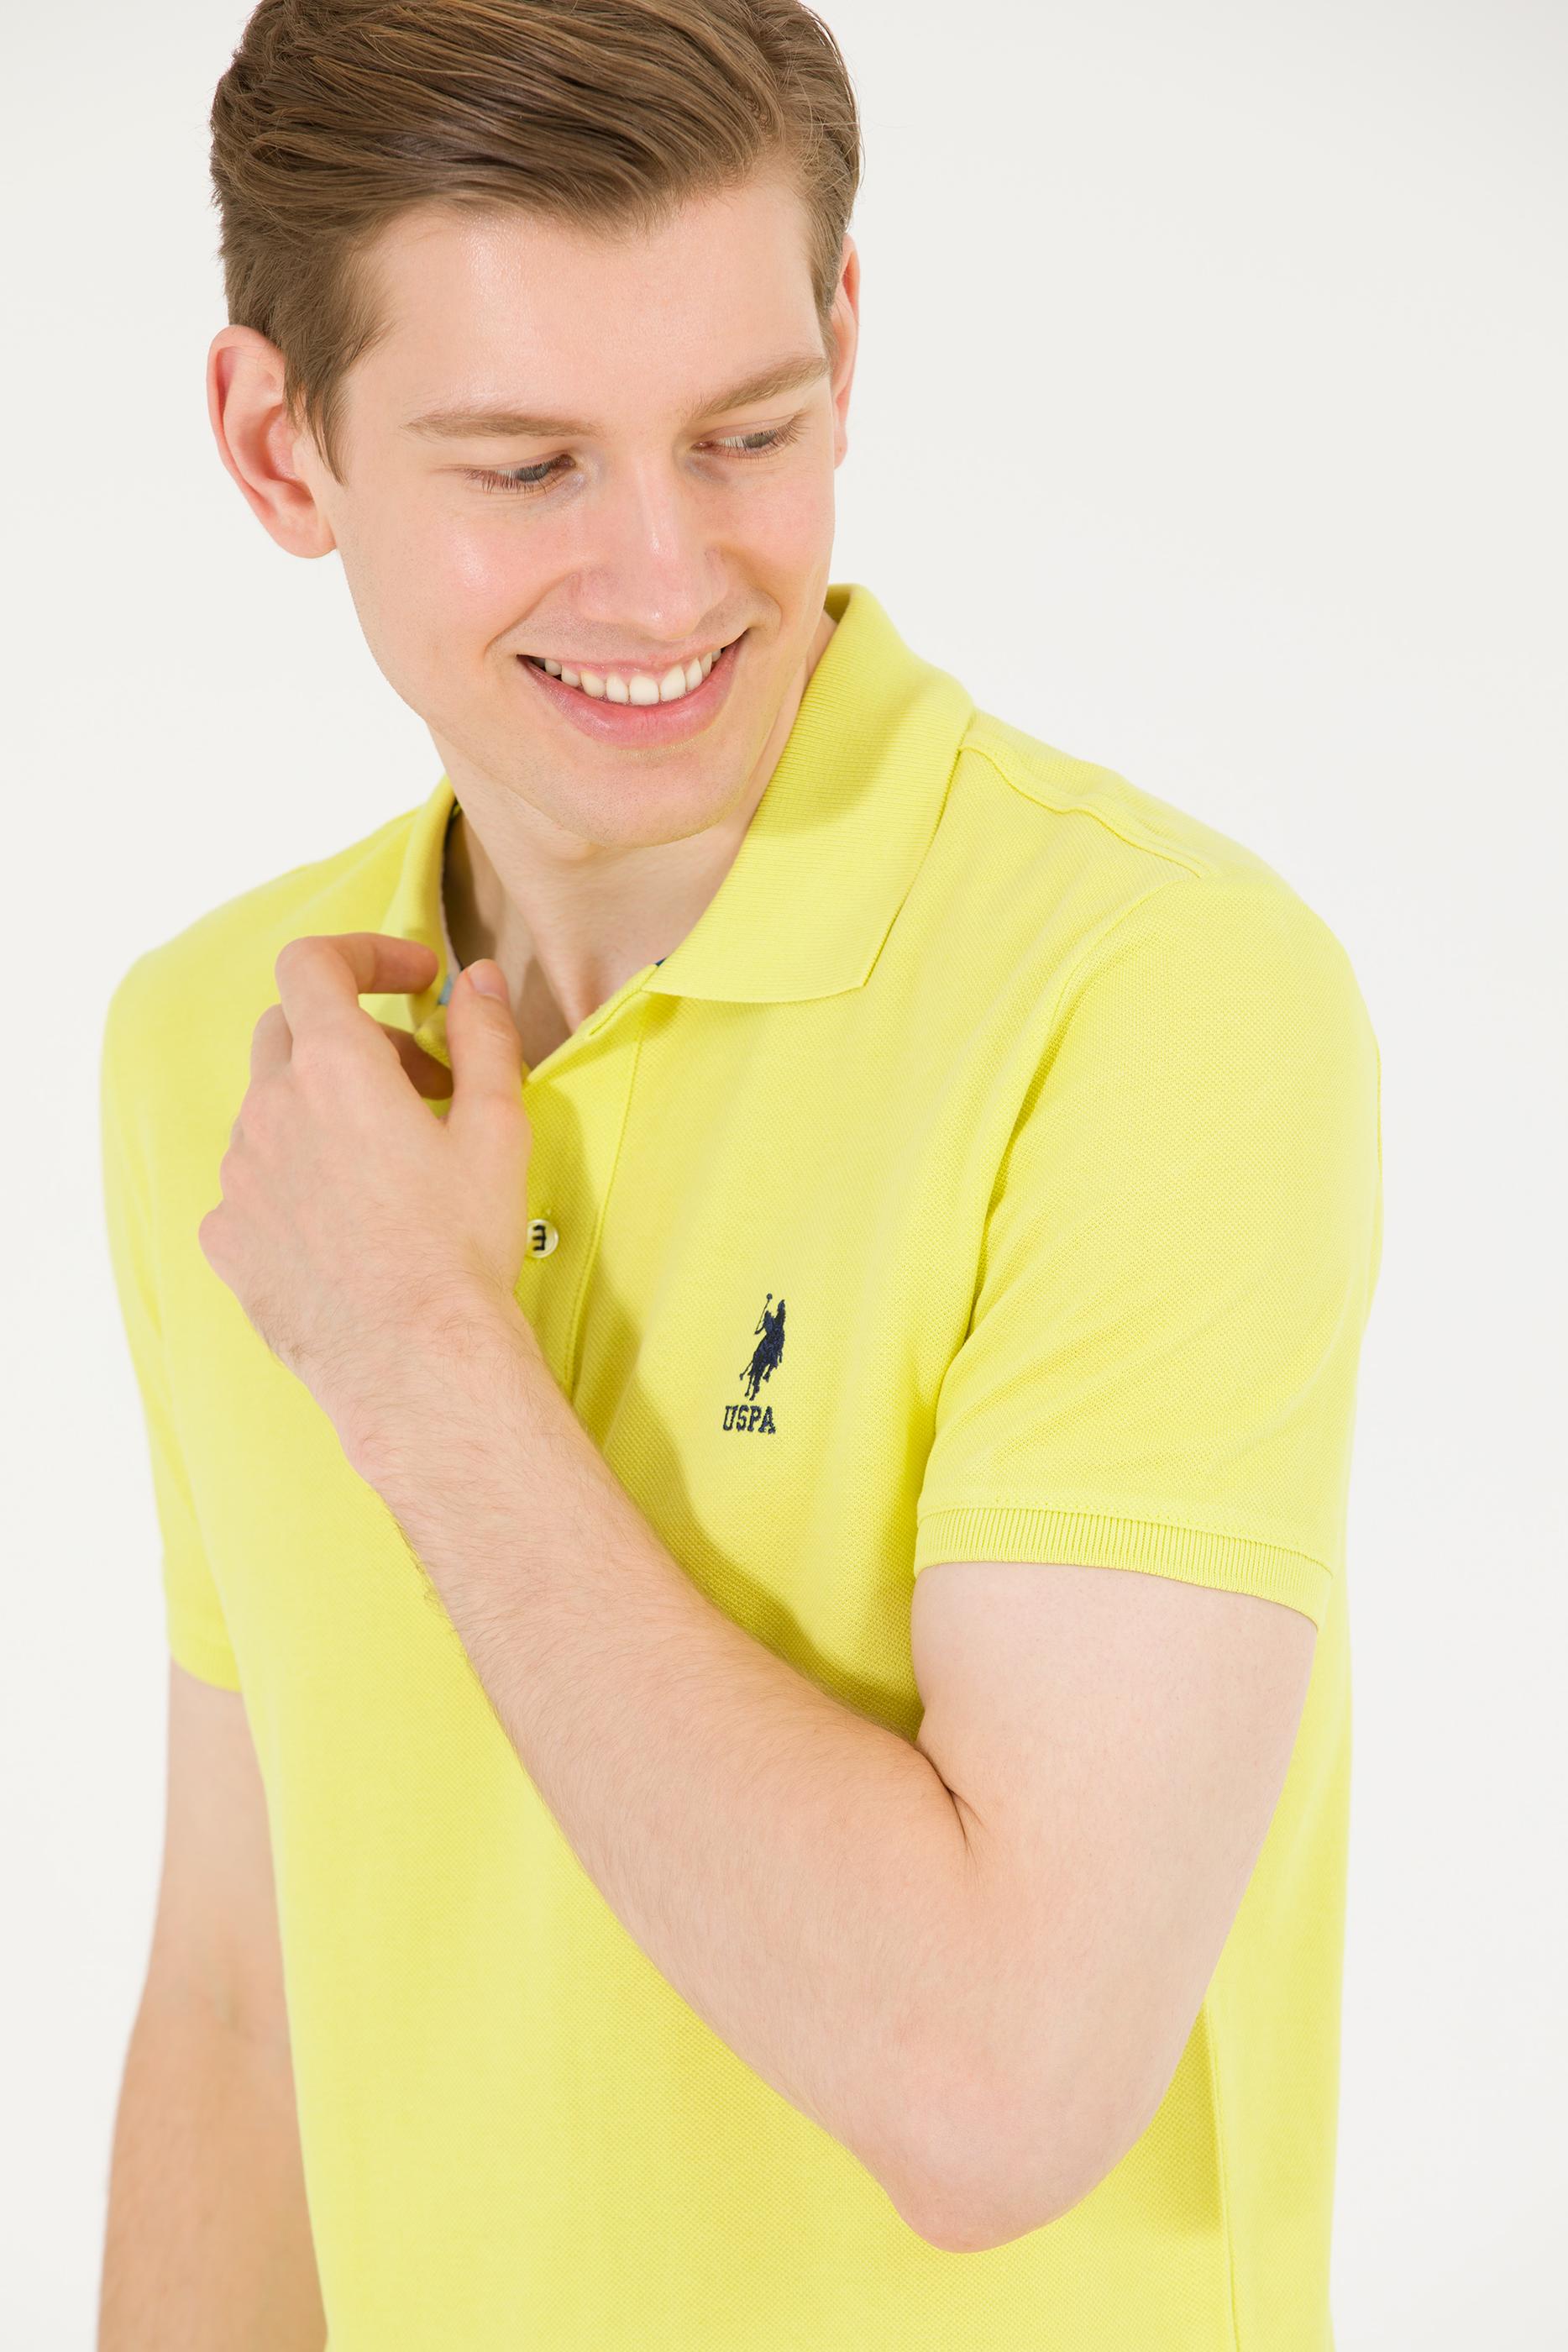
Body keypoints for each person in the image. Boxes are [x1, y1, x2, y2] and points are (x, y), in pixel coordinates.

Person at [95, 3, 1383, 2347]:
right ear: (282, 445)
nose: (667, 574)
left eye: (747, 433)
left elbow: (996, 2083)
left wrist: (420, 1355)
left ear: (846, 346)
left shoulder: (1150, 998)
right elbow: (240, 2004)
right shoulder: (234, 1058)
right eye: (528, 466)